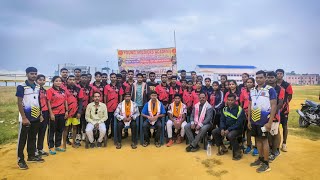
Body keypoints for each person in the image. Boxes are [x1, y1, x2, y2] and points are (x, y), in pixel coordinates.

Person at [248, 70, 277, 173]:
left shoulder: (270, 90)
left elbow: (274, 106)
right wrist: (249, 120)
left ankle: (266, 164)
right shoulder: (252, 90)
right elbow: (250, 105)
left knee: (264, 141)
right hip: (254, 120)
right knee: (257, 140)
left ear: (265, 78)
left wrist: (269, 122)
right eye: (257, 78)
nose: (258, 79)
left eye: (260, 77)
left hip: (264, 121)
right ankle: (260, 158)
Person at [16, 67, 44, 170]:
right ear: (27, 74)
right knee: (22, 140)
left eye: (35, 73)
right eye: (32, 73)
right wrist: (23, 118)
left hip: (35, 117)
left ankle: (31, 156)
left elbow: (38, 101)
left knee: (32, 137)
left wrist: (40, 114)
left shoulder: (37, 86)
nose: (34, 75)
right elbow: (19, 102)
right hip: (25, 118)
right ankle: (20, 160)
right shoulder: (21, 87)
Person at [212, 93, 245, 160]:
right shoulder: (225, 109)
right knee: (215, 131)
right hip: (226, 128)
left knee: (230, 135)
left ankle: (238, 152)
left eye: (232, 100)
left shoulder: (240, 109)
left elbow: (239, 123)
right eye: (228, 100)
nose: (230, 102)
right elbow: (222, 120)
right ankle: (223, 148)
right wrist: (222, 129)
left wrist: (229, 130)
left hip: (237, 129)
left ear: (235, 100)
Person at [47, 76, 68, 155]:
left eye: (60, 81)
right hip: (54, 114)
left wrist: (66, 111)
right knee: (52, 130)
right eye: (56, 81)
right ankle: (51, 147)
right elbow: (48, 102)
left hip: (62, 113)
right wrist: (51, 113)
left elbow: (65, 101)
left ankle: (58, 145)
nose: (58, 82)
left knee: (60, 130)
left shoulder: (63, 91)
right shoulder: (50, 91)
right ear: (53, 82)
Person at [267, 71, 285, 161]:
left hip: (275, 114)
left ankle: (275, 151)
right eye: (268, 77)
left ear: (275, 78)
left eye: (271, 77)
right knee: (268, 133)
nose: (270, 79)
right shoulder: (264, 88)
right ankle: (270, 149)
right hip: (264, 114)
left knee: (275, 132)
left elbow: (280, 103)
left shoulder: (280, 89)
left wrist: (272, 113)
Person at [63, 75, 84, 148]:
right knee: (66, 128)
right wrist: (65, 111)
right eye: (70, 79)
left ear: (75, 81)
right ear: (67, 80)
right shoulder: (63, 89)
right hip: (67, 112)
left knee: (74, 127)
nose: (72, 81)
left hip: (75, 112)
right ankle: (64, 144)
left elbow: (81, 102)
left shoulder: (79, 89)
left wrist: (79, 112)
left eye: (73, 79)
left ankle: (74, 142)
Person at [276, 69, 293, 152]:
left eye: (280, 73)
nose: (279, 75)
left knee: (285, 126)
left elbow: (290, 96)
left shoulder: (287, 85)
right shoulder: (274, 84)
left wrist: (284, 104)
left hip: (284, 110)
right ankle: (276, 144)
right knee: (275, 127)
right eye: (277, 73)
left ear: (283, 75)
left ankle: (284, 144)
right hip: (275, 109)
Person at [241, 78, 258, 156]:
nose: (249, 83)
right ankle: (248, 145)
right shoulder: (243, 92)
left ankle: (256, 147)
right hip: (246, 113)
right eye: (248, 82)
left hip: (255, 113)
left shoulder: (256, 91)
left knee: (256, 131)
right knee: (248, 130)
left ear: (254, 83)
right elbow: (241, 103)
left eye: (251, 82)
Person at [104, 73, 124, 138]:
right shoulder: (107, 87)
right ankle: (105, 135)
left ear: (116, 78)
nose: (113, 78)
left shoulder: (119, 86)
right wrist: (105, 105)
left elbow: (121, 96)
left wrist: (120, 106)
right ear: (110, 78)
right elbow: (105, 96)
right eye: (111, 77)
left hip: (116, 108)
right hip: (108, 107)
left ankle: (113, 134)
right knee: (107, 122)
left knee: (115, 122)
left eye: (114, 77)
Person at [36, 74, 49, 157]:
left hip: (45, 112)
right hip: (38, 113)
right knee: (35, 132)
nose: (42, 81)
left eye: (43, 80)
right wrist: (40, 113)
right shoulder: (35, 90)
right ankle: (34, 150)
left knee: (42, 131)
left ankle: (40, 149)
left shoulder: (44, 90)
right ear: (36, 81)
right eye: (40, 80)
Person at [79, 74, 93, 141]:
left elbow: (90, 98)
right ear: (80, 78)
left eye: (85, 78)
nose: (84, 79)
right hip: (79, 108)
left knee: (85, 121)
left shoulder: (89, 88)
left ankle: (84, 134)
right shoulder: (77, 87)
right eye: (83, 77)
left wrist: (89, 107)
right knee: (79, 122)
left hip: (87, 107)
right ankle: (78, 135)